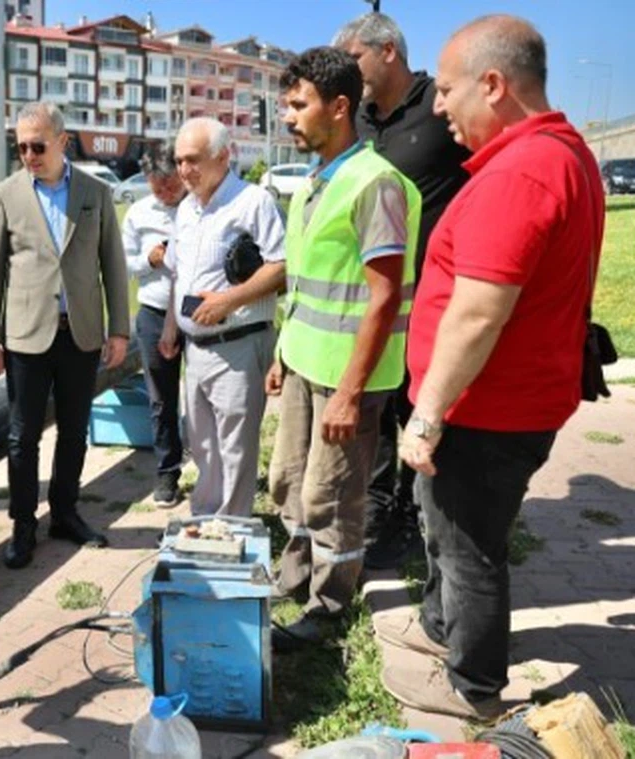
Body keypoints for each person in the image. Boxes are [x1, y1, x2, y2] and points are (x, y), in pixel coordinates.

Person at [385, 15, 604, 720]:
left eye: (446, 90)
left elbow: (478, 312)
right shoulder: (559, 154)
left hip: (484, 410)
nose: (438, 105)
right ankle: (442, 630)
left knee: (468, 548)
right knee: (455, 535)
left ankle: (471, 692)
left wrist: (426, 414)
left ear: (493, 84)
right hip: (510, 401)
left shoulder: (524, 171)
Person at [267, 46, 420, 645]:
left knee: (332, 495)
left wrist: (350, 395)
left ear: (338, 107)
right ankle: (298, 570)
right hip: (306, 362)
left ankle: (330, 608)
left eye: (298, 105)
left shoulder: (375, 184)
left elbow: (383, 297)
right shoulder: (313, 183)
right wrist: (282, 354)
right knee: (287, 481)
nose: (288, 117)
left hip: (346, 377)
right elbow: (305, 282)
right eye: (286, 105)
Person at [334, 12, 471, 570]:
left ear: (387, 49)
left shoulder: (438, 112)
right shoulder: (361, 119)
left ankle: (425, 522)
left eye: (355, 59)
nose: (350, 73)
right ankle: (381, 519)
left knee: (422, 409)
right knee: (377, 406)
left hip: (435, 299)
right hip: (377, 298)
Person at [0, 101, 130, 570]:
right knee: (23, 438)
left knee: (74, 432)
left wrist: (119, 329)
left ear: (63, 142)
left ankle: (65, 512)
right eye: (21, 146)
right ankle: (23, 525)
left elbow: (113, 265)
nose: (28, 154)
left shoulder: (95, 193)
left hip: (80, 334)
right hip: (25, 337)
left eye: (37, 145)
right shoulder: (4, 195)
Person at [155, 118, 286, 517]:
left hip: (239, 345)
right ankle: (206, 520)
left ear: (224, 156)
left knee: (235, 446)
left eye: (193, 160)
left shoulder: (253, 202)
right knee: (202, 444)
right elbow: (179, 273)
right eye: (179, 160)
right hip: (196, 349)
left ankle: (232, 528)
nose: (183, 170)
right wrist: (170, 327)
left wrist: (228, 301)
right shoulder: (187, 209)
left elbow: (282, 266)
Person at [121, 147, 187, 507]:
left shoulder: (198, 206)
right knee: (162, 398)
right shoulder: (138, 214)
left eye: (170, 185)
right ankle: (167, 471)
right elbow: (124, 263)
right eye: (157, 187)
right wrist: (149, 260)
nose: (165, 192)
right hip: (154, 312)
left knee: (205, 394)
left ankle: (211, 468)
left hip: (198, 313)